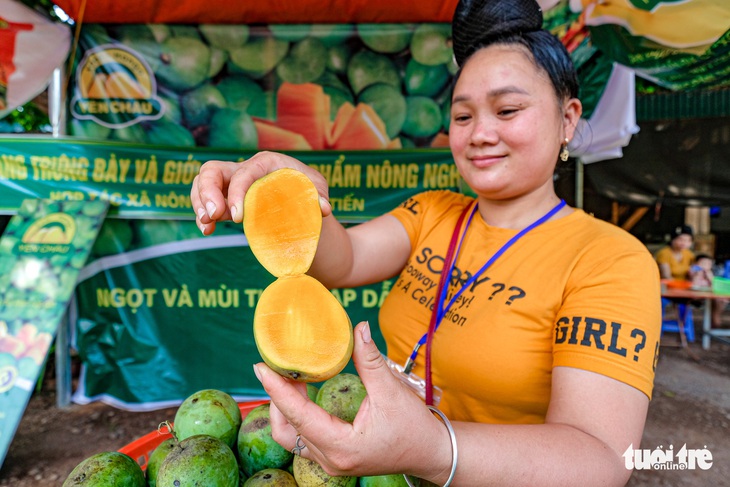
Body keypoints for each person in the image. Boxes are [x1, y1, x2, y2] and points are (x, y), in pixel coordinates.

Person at [191, 0, 661, 484]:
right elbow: (343, 261)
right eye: (462, 116)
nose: (480, 133)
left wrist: (435, 449)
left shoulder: (610, 259)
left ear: (568, 118)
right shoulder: (433, 211)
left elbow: (602, 460)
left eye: (508, 109)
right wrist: (299, 198)